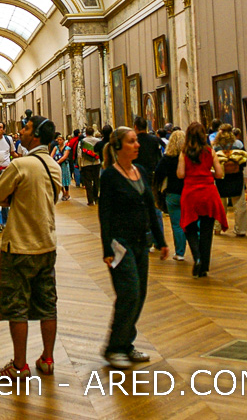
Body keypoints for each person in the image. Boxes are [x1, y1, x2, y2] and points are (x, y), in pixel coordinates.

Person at [0, 113, 63, 379]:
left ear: (38, 135)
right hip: (47, 244)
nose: (21, 131)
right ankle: (48, 358)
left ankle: (19, 365)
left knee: (16, 305)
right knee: (47, 303)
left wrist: (15, 201)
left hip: (19, 245)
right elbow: (55, 196)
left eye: (27, 128)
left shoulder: (20, 166)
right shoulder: (52, 164)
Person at [98, 127, 169, 368]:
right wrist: (107, 249)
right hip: (120, 244)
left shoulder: (139, 171)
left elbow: (152, 208)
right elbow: (104, 214)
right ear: (118, 147)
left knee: (140, 295)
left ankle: (126, 344)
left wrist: (161, 241)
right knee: (129, 293)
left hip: (142, 242)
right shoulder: (109, 176)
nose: (137, 145)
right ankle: (113, 347)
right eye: (131, 141)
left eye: (137, 140)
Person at [177, 123, 228, 277]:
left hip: (191, 192)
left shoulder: (184, 153)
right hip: (208, 192)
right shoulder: (210, 152)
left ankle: (197, 257)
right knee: (207, 231)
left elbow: (180, 174)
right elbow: (219, 174)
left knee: (190, 228)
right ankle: (204, 267)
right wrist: (207, 173)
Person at [155, 129, 188, 260]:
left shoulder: (167, 158)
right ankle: (198, 253)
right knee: (191, 223)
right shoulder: (188, 157)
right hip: (188, 193)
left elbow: (158, 173)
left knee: (176, 224)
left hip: (172, 193)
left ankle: (180, 253)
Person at [212, 124, 247, 236]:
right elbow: (244, 162)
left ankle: (218, 228)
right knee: (239, 205)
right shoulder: (238, 144)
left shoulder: (216, 146)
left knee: (220, 205)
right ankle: (240, 230)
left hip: (221, 177)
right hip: (236, 176)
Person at [78, 127, 102, 204]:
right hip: (96, 163)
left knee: (88, 182)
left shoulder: (82, 142)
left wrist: (80, 165)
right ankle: (96, 198)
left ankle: (90, 200)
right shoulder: (98, 141)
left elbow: (79, 155)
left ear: (86, 133)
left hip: (86, 164)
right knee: (96, 180)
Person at [52, 132, 73, 201]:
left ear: (63, 140)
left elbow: (65, 156)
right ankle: (63, 192)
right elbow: (51, 155)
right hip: (57, 166)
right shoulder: (56, 148)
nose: (59, 141)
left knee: (65, 179)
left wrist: (58, 162)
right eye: (58, 140)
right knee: (59, 179)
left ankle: (67, 193)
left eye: (60, 140)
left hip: (64, 165)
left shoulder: (67, 148)